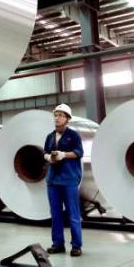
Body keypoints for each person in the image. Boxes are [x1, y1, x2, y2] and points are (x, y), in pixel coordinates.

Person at [43, 104, 84, 257]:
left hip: (69, 180)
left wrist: (64, 155)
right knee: (55, 214)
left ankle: (76, 245)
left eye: (61, 115)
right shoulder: (50, 136)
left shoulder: (73, 135)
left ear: (67, 119)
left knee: (73, 214)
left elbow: (79, 152)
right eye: (56, 115)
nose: (57, 118)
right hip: (53, 181)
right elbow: (45, 151)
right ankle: (58, 244)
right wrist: (48, 157)